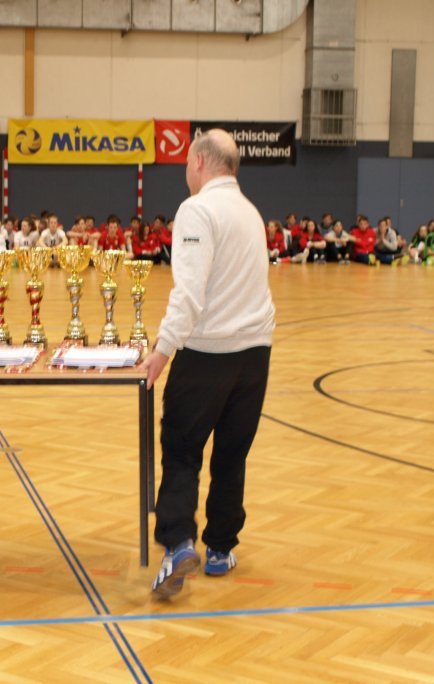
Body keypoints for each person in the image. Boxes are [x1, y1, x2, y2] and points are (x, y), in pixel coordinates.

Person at [139, 129, 275, 599]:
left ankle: (178, 543)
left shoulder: (197, 210)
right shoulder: (251, 212)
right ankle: (220, 547)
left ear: (198, 161)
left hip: (207, 355)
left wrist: (162, 350)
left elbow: (190, 291)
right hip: (255, 355)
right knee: (232, 453)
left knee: (181, 448)